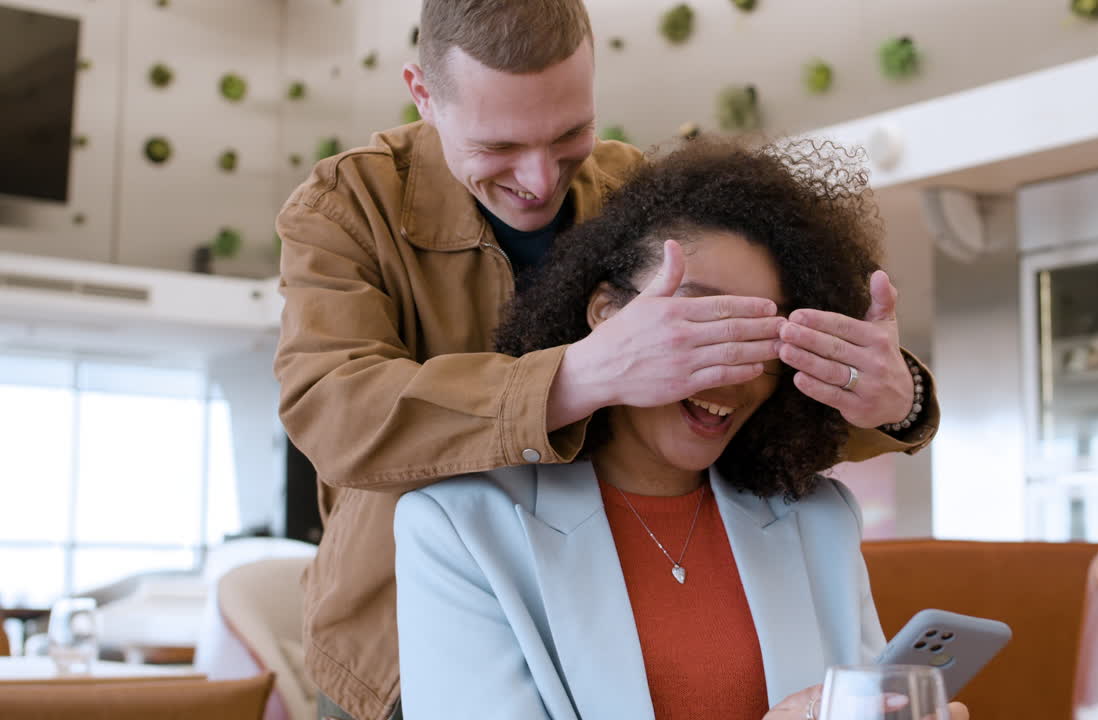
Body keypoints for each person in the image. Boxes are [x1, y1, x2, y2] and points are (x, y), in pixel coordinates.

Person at [274, 2, 939, 718]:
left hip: (598, 600)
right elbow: (334, 416)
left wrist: (897, 400)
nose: (538, 179)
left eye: (569, 135)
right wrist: (584, 376)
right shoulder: (347, 207)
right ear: (422, 93)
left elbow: (755, 392)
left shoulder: (633, 188)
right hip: (392, 649)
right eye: (498, 146)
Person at [394, 139, 965, 720]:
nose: (730, 369)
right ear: (607, 315)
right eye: (700, 322)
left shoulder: (819, 521)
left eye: (762, 338)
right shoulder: (461, 531)